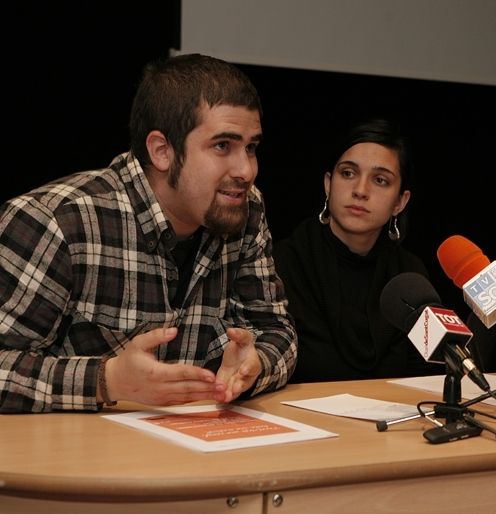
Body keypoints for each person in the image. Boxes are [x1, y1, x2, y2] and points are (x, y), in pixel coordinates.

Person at [0, 54, 297, 413]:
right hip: (73, 458)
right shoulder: (55, 221)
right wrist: (106, 380)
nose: (246, 170)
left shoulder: (245, 209)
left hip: (193, 451)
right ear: (162, 151)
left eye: (251, 148)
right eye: (223, 146)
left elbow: (279, 332)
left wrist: (256, 364)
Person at [273, 119, 438, 382]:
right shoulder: (282, 263)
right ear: (328, 184)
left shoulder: (409, 278)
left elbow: (431, 372)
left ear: (400, 202)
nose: (360, 191)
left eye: (380, 180)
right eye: (348, 173)